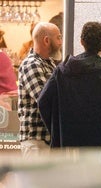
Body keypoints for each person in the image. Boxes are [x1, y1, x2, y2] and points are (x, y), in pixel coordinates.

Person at [38, 21, 101, 148]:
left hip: (69, 148)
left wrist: (57, 131)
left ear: (81, 41)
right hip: (100, 149)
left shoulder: (61, 71)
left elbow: (43, 102)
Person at [18, 22, 62, 157]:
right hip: (36, 142)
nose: (61, 42)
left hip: (46, 141)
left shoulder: (49, 64)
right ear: (47, 41)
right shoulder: (31, 64)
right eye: (58, 37)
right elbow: (45, 100)